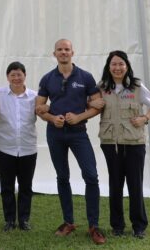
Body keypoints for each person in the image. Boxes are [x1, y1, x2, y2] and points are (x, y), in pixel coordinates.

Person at [35, 38, 107, 245]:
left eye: (67, 49)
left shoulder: (85, 77)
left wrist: (79, 117)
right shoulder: (48, 78)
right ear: (54, 53)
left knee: (91, 176)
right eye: (60, 50)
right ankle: (68, 222)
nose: (63, 52)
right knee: (62, 177)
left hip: (78, 133)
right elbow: (39, 107)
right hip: (55, 134)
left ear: (72, 52)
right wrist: (51, 118)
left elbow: (97, 105)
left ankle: (93, 225)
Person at [98, 50, 150, 239]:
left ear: (127, 66)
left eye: (121, 64)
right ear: (108, 67)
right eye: (113, 64)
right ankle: (117, 225)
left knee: (135, 185)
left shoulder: (136, 86)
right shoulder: (101, 87)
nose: (117, 68)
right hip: (111, 144)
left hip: (134, 144)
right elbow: (90, 106)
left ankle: (139, 226)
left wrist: (145, 118)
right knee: (115, 185)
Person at [0, 61, 38, 232]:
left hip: (28, 148)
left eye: (19, 74)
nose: (16, 78)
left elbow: (45, 111)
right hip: (4, 147)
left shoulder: (35, 96)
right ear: (8, 77)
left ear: (25, 76)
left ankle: (24, 220)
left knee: (26, 186)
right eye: (13, 75)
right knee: (7, 186)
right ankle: (10, 220)